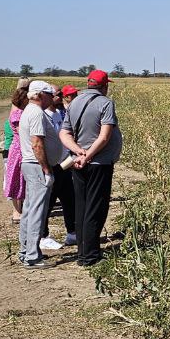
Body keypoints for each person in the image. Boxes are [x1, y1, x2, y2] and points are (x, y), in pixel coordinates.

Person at [60, 69, 124, 267]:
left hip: (78, 163)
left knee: (81, 206)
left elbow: (64, 133)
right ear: (104, 86)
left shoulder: (74, 102)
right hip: (99, 163)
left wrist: (78, 152)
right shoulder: (105, 103)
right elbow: (104, 137)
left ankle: (82, 252)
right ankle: (90, 255)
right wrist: (89, 155)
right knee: (96, 208)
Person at [18, 81, 62, 268]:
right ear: (42, 95)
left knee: (29, 209)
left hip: (31, 165)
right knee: (37, 211)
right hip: (36, 166)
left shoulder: (29, 110)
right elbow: (37, 143)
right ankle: (32, 256)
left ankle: (25, 250)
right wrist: (46, 170)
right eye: (51, 95)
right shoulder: (35, 112)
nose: (53, 99)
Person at [40, 85, 76, 249]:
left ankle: (72, 233)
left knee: (69, 199)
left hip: (64, 163)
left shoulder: (60, 113)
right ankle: (43, 235)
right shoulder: (43, 116)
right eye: (57, 94)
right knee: (48, 202)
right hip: (52, 164)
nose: (61, 96)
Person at [3, 82, 30, 223]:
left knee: (23, 181)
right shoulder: (17, 114)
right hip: (19, 150)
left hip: (22, 149)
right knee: (16, 180)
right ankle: (17, 211)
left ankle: (22, 210)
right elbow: (23, 133)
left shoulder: (22, 112)